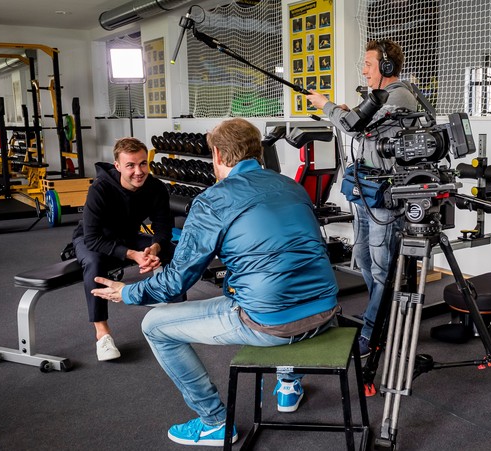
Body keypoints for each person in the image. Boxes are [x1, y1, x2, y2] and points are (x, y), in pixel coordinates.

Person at [92, 118, 339, 447]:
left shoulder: (212, 200)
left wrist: (130, 292)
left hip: (270, 323)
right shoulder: (291, 186)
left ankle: (213, 422)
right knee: (265, 282)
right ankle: (288, 382)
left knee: (154, 324)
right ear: (258, 152)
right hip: (325, 312)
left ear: (218, 156)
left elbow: (177, 281)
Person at [305, 39, 418, 358]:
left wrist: (326, 106)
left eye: (369, 64)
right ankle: (381, 317)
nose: (365, 71)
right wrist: (344, 113)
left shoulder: (400, 95)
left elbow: (359, 128)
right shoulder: (379, 96)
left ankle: (373, 332)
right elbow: (361, 127)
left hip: (384, 196)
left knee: (381, 267)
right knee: (364, 258)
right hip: (365, 189)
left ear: (385, 67)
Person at [72, 137, 174, 361]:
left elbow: (163, 228)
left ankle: (175, 314)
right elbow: (92, 238)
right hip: (93, 240)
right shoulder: (100, 188)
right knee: (94, 263)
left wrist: (154, 249)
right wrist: (133, 255)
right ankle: (102, 334)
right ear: (118, 166)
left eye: (143, 163)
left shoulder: (155, 187)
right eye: (130, 165)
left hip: (127, 237)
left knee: (171, 250)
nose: (138, 171)